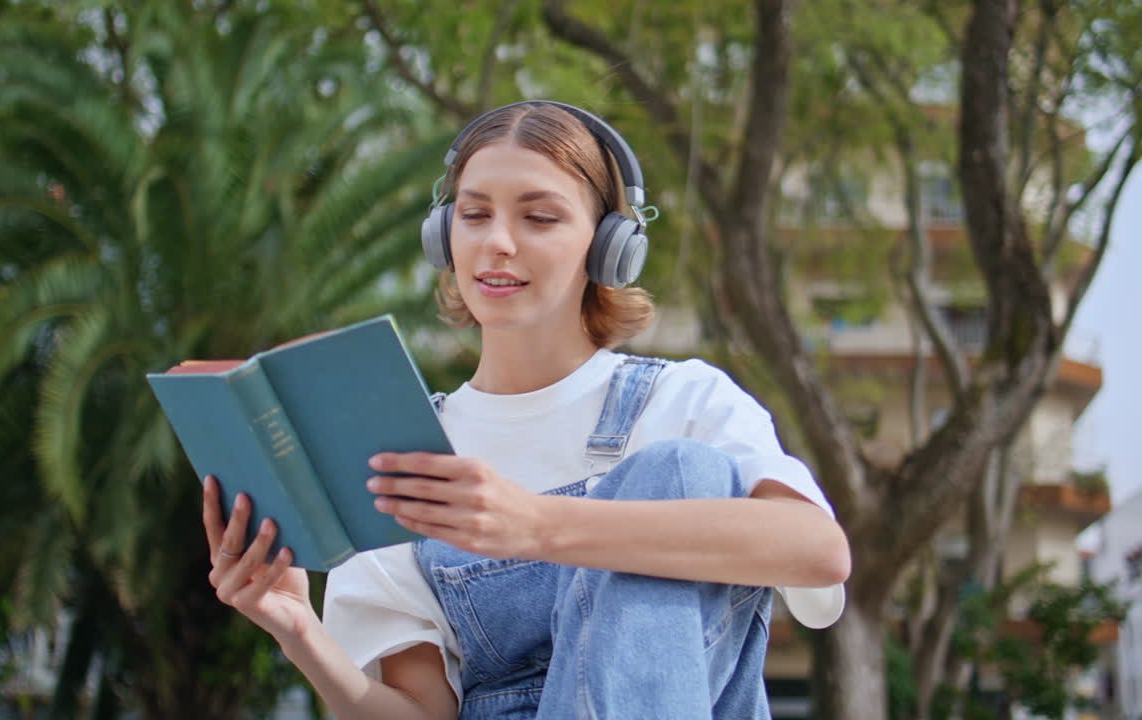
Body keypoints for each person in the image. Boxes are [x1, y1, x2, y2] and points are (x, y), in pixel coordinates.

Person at [201, 101, 851, 719]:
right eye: (475, 215)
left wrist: (537, 524)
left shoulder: (684, 401)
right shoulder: (405, 455)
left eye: (539, 218)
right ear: (443, 236)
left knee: (678, 472)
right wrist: (299, 634)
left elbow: (819, 552)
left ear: (610, 247)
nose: (498, 243)